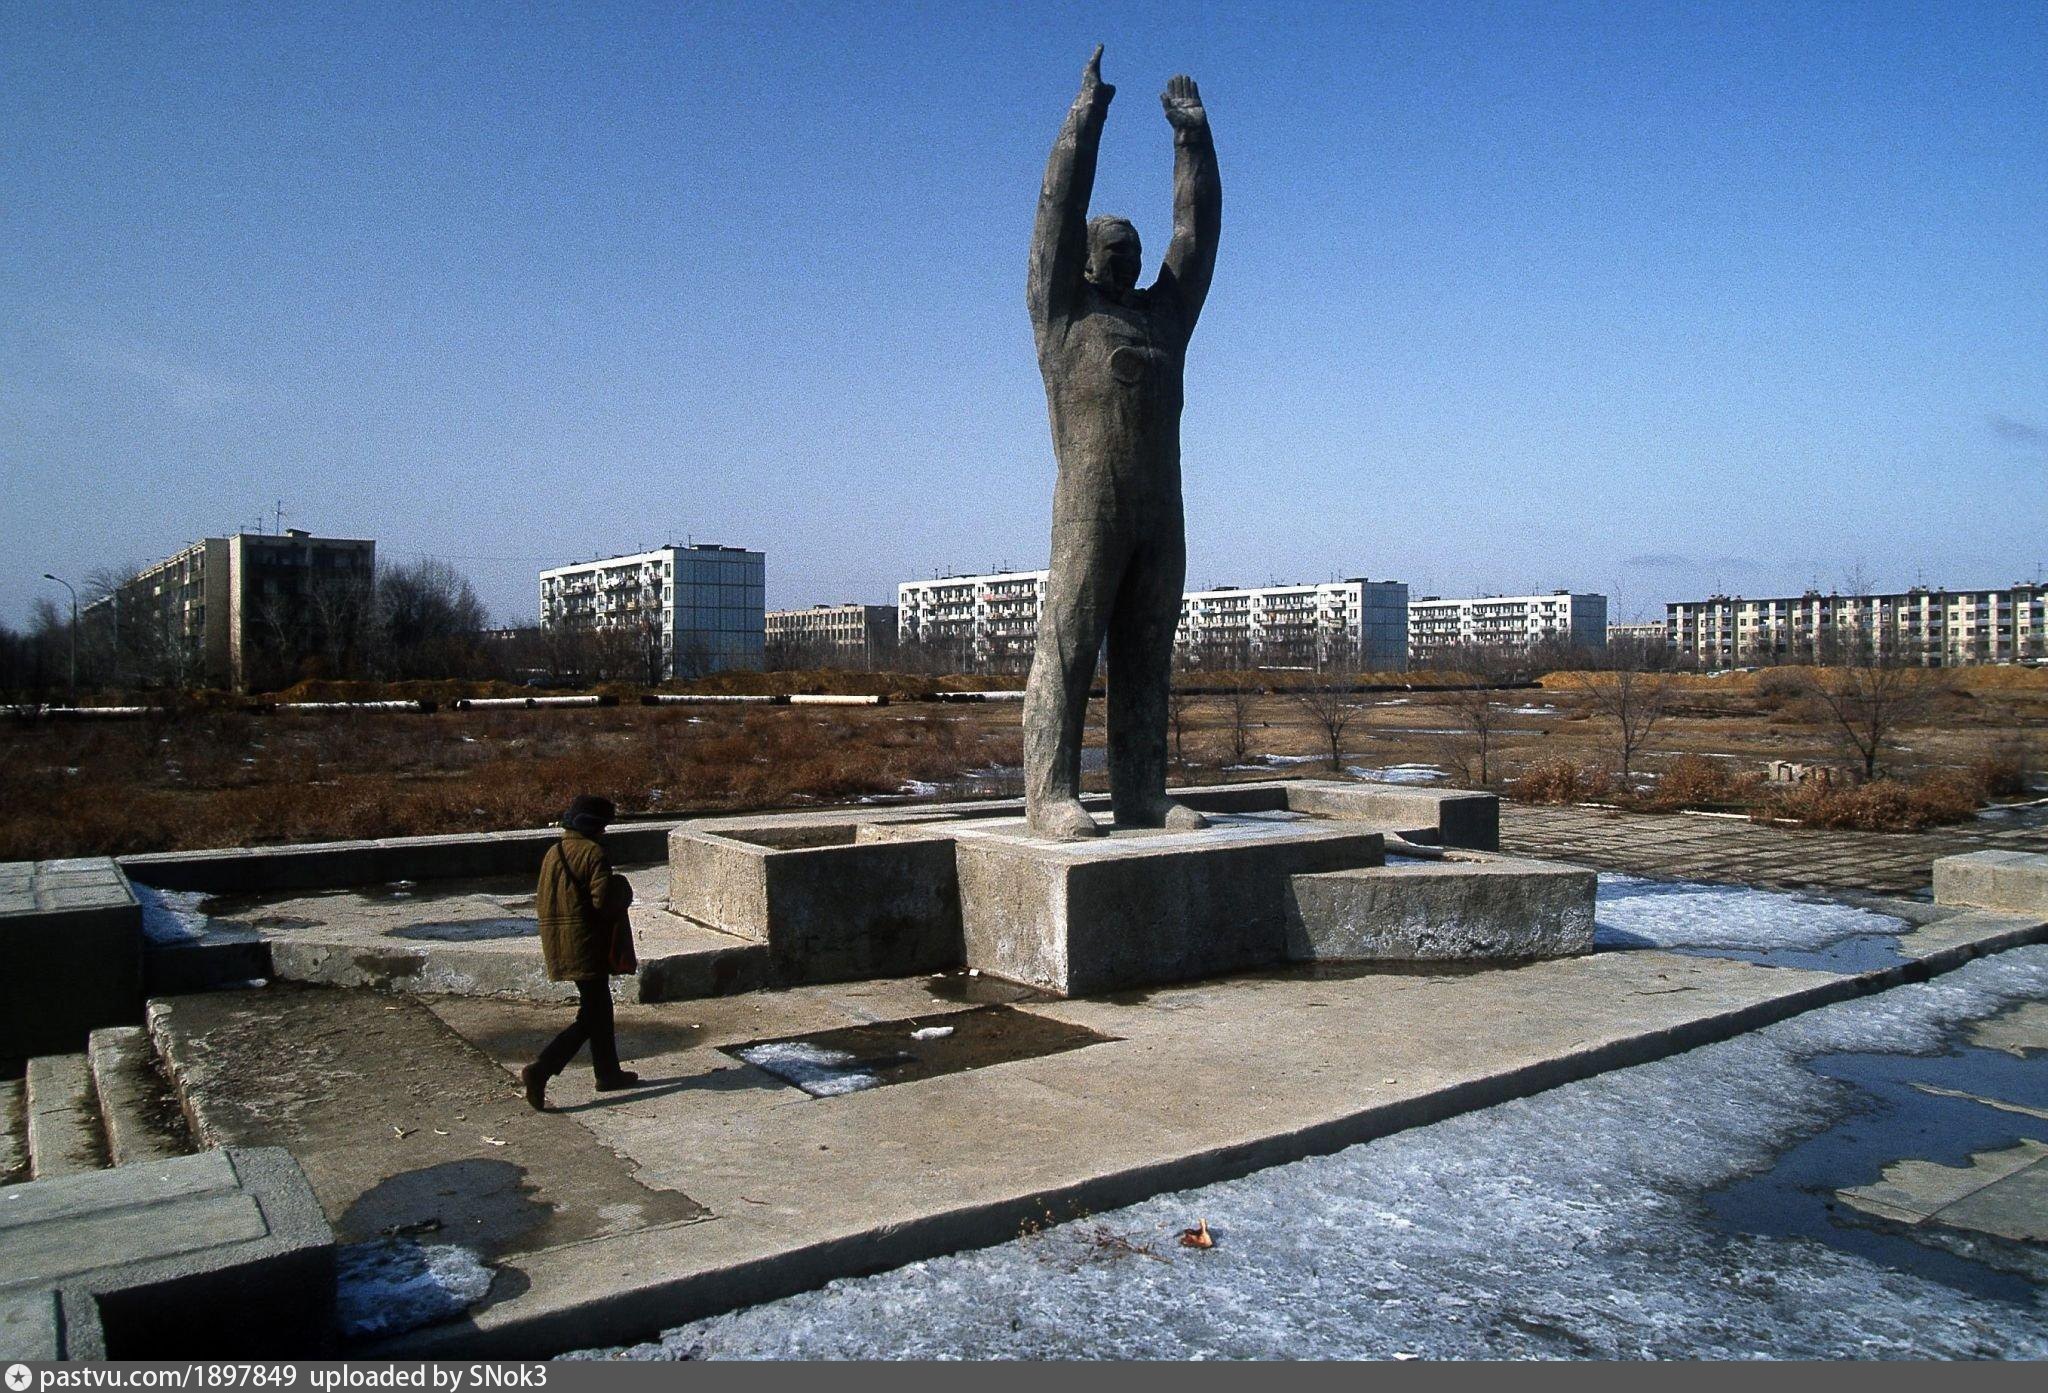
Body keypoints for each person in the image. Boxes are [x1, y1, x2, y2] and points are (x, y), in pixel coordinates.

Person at [1022, 46, 1220, 839]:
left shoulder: (1163, 318)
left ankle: (1140, 791)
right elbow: (1055, 214)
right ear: (1089, 260)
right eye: (1117, 250)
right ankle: (1050, 793)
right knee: (1070, 645)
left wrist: (1192, 142)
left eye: (1137, 253)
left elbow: (1195, 235)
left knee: (1146, 655)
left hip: (1159, 510)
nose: (1134, 260)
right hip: (1089, 508)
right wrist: (1087, 115)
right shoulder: (1063, 316)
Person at [521, 794, 640, 1109]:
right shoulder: (593, 853)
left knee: (599, 1008)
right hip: (586, 943)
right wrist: (623, 887)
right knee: (593, 1014)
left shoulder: (554, 851)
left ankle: (608, 1073)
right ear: (595, 826)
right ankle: (542, 1069)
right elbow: (605, 902)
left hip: (559, 940)